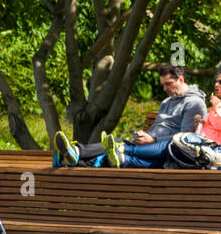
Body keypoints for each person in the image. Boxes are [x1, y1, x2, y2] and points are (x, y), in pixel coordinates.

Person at [51, 64, 204, 168]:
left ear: (181, 79)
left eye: (168, 84)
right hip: (149, 144)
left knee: (116, 147)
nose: (165, 88)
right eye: (163, 85)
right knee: (113, 148)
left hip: (164, 150)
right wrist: (145, 136)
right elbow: (159, 128)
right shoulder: (166, 102)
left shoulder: (194, 103)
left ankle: (74, 153)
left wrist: (154, 139)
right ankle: (72, 158)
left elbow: (185, 139)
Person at [163, 60, 221, 170]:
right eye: (216, 82)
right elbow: (213, 131)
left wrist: (218, 109)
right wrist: (200, 124)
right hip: (202, 147)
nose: (216, 84)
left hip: (219, 151)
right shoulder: (220, 106)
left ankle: (200, 158)